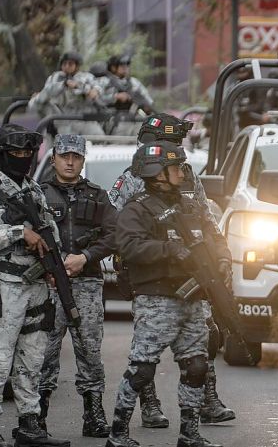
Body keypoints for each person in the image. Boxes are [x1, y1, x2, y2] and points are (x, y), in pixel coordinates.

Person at [108, 114, 235, 429]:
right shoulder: (136, 176)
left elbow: (205, 216)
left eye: (178, 144)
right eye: (169, 143)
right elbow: (115, 225)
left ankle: (208, 399)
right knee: (147, 350)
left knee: (205, 337)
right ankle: (149, 406)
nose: (176, 151)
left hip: (192, 272)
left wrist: (221, 257)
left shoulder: (186, 174)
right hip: (151, 276)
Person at [0, 124, 70, 447]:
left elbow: (50, 231)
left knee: (32, 359)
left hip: (38, 285)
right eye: (17, 154)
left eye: (28, 153)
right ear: (2, 156)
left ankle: (29, 424)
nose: (23, 158)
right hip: (6, 285)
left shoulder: (34, 190)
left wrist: (56, 267)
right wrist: (18, 233)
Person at [37, 134, 117, 438]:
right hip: (47, 286)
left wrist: (85, 257)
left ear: (83, 160)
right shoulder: (38, 194)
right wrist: (43, 268)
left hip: (87, 284)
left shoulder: (98, 195)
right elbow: (26, 235)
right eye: (64, 156)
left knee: (89, 351)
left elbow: (114, 234)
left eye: (76, 157)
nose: (70, 162)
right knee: (43, 353)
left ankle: (94, 414)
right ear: (54, 157)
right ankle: (37, 416)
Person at [28, 52, 106, 136]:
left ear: (77, 65)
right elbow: (48, 91)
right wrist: (64, 84)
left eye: (70, 64)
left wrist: (80, 87)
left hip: (84, 119)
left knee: (100, 137)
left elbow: (97, 91)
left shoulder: (87, 77)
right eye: (64, 64)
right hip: (62, 120)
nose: (66, 66)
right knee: (66, 143)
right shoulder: (55, 77)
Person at [97, 55, 155, 135]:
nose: (125, 67)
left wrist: (145, 106)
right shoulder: (104, 81)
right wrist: (115, 97)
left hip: (132, 117)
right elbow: (96, 99)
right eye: (121, 65)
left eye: (127, 65)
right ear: (113, 67)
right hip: (111, 118)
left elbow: (148, 101)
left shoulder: (134, 82)